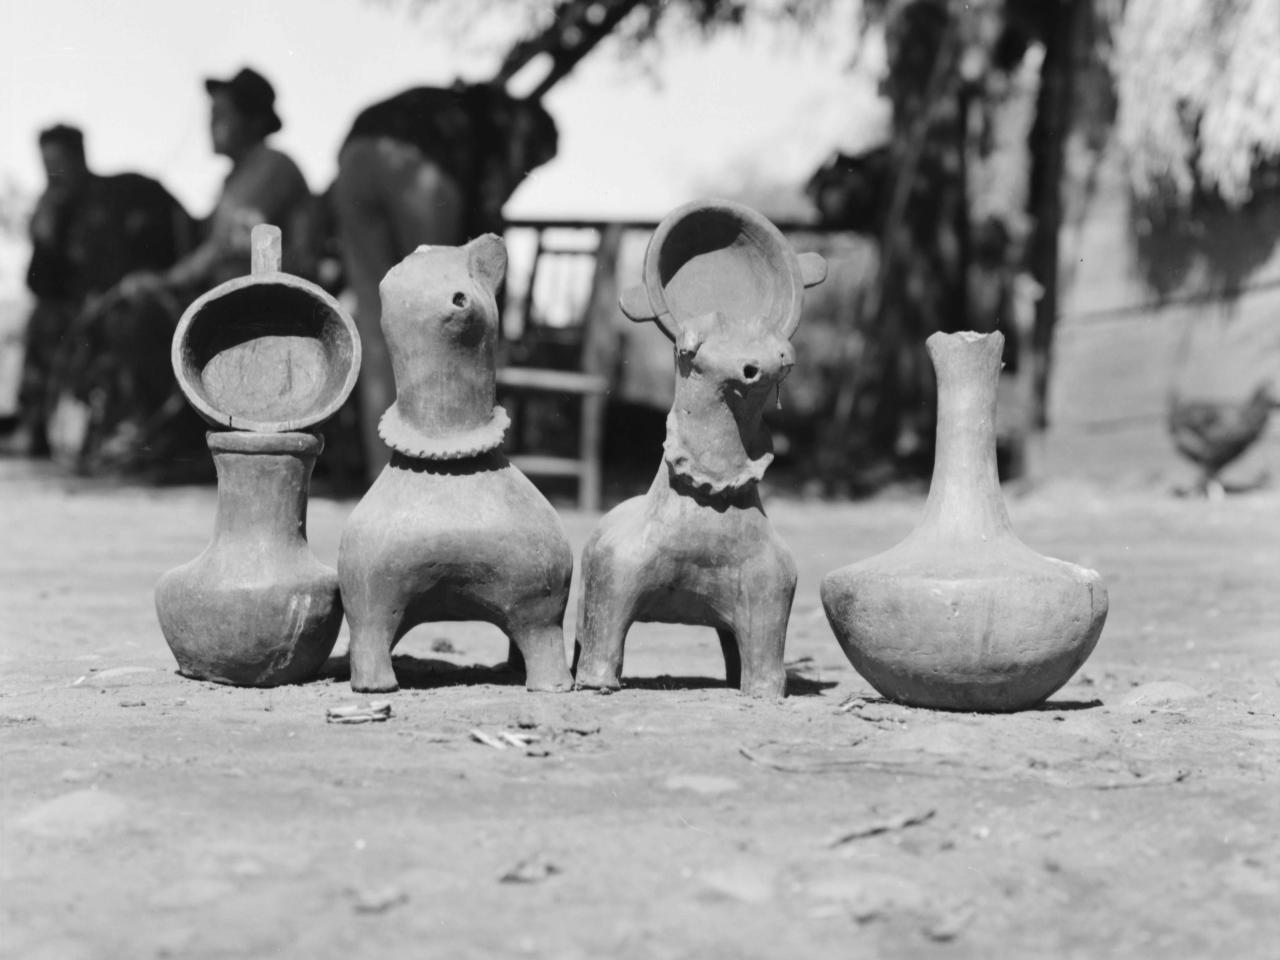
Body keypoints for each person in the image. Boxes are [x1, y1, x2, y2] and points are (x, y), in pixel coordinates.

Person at [329, 82, 558, 482]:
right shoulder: (503, 131)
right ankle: (436, 473)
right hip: (417, 163)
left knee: (376, 325)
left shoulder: (471, 108)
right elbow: (486, 234)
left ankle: (381, 478)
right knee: (442, 319)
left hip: (355, 155)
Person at [1, 124, 191, 458]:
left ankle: (137, 430)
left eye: (58, 162)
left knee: (128, 321)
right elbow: (40, 286)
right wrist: (43, 240)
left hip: (128, 303)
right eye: (46, 164)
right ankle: (35, 425)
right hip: (80, 316)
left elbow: (170, 242)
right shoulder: (57, 213)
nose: (52, 174)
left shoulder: (126, 191)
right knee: (44, 318)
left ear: (79, 157)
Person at [121, 67, 315, 300]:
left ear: (254, 121)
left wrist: (169, 280)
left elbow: (229, 241)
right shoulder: (233, 179)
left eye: (222, 114)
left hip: (282, 306)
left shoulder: (271, 165)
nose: (211, 123)